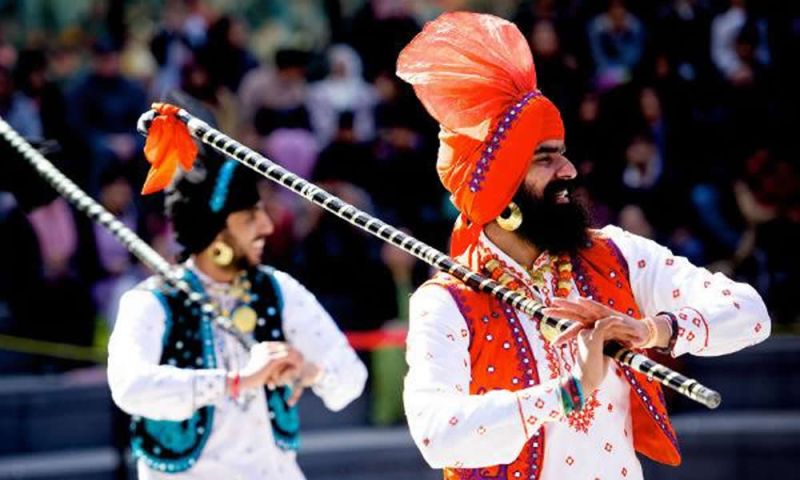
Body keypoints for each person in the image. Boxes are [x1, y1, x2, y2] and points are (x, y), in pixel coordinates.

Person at [396, 12, 770, 480]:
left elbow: (751, 313)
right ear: (498, 187)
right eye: (545, 157)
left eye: (563, 152)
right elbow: (436, 434)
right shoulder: (449, 301)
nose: (569, 170)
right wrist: (568, 392)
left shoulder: (615, 255)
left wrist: (650, 331)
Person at [107, 100, 367, 479]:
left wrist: (306, 371)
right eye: (249, 217)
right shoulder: (152, 303)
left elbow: (351, 380)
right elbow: (130, 387)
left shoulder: (278, 289)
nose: (266, 227)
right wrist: (237, 381)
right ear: (213, 233)